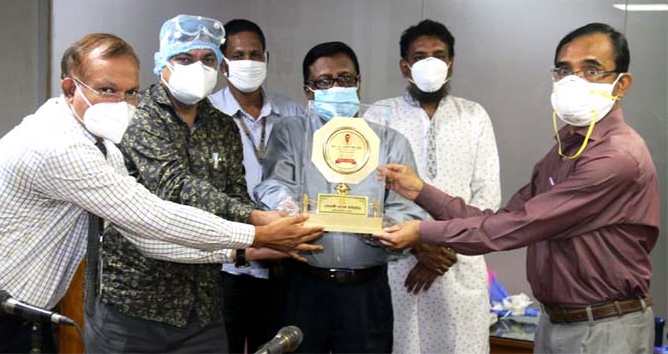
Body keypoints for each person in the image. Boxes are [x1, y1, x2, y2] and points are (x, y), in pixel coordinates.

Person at [0, 32, 321, 354]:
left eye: (130, 92)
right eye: (107, 90)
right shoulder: (58, 145)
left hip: (22, 314)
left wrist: (241, 252)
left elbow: (146, 237)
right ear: (70, 88)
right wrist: (257, 233)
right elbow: (152, 215)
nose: (121, 103)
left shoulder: (104, 147)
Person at [374, 23, 659, 354]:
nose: (574, 81)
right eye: (565, 71)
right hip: (558, 322)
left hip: (605, 328)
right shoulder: (566, 148)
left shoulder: (616, 156)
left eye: (591, 70)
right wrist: (421, 190)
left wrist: (423, 232)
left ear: (621, 84)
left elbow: (522, 224)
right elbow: (503, 216)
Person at [82, 15, 315, 354]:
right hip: (136, 303)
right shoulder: (139, 115)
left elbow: (235, 193)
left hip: (203, 305)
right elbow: (173, 186)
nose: (199, 68)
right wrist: (258, 221)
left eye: (208, 59)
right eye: (185, 59)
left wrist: (279, 223)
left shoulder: (222, 126)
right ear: (163, 61)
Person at [254, 41, 424, 354]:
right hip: (303, 286)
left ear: (358, 84)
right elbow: (273, 185)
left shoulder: (389, 141)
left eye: (345, 79)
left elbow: (408, 211)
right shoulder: (291, 132)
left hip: (366, 290)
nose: (336, 87)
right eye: (324, 81)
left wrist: (382, 228)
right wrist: (287, 209)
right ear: (308, 91)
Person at [364, 19, 500, 354]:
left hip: (459, 265)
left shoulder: (474, 116)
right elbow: (364, 196)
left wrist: (445, 246)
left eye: (438, 56)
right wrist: (418, 247)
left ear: (451, 63)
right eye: (420, 56)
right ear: (404, 65)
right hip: (398, 265)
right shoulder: (380, 115)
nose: (430, 63)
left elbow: (488, 199)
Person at [209, 19, 304, 354]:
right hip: (227, 264)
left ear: (267, 58)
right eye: (238, 55)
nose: (248, 62)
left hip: (284, 262)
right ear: (223, 64)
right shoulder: (208, 113)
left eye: (255, 54)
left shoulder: (292, 111)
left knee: (278, 345)